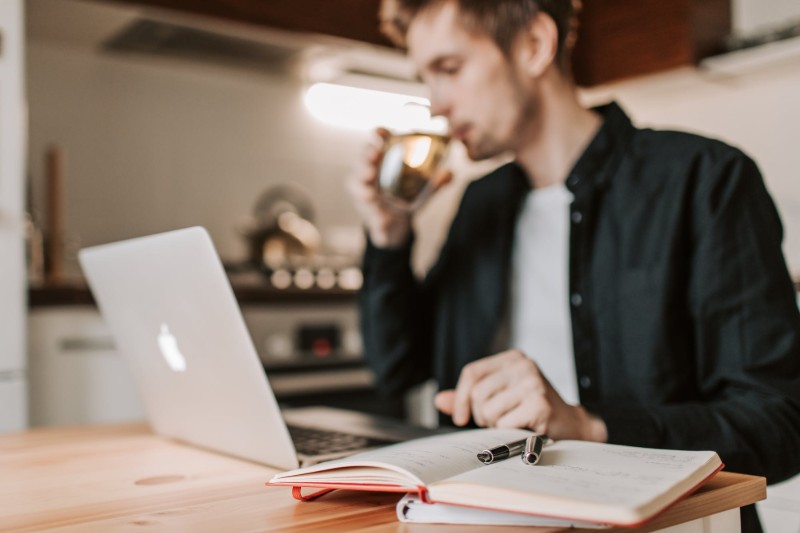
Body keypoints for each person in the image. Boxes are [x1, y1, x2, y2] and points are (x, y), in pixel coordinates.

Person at [348, 1, 800, 530]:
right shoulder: (480, 204)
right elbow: (395, 368)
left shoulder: (704, 179)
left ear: (534, 45)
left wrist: (588, 426)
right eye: (426, 78)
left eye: (449, 70)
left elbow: (780, 422)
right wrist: (389, 235)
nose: (436, 105)